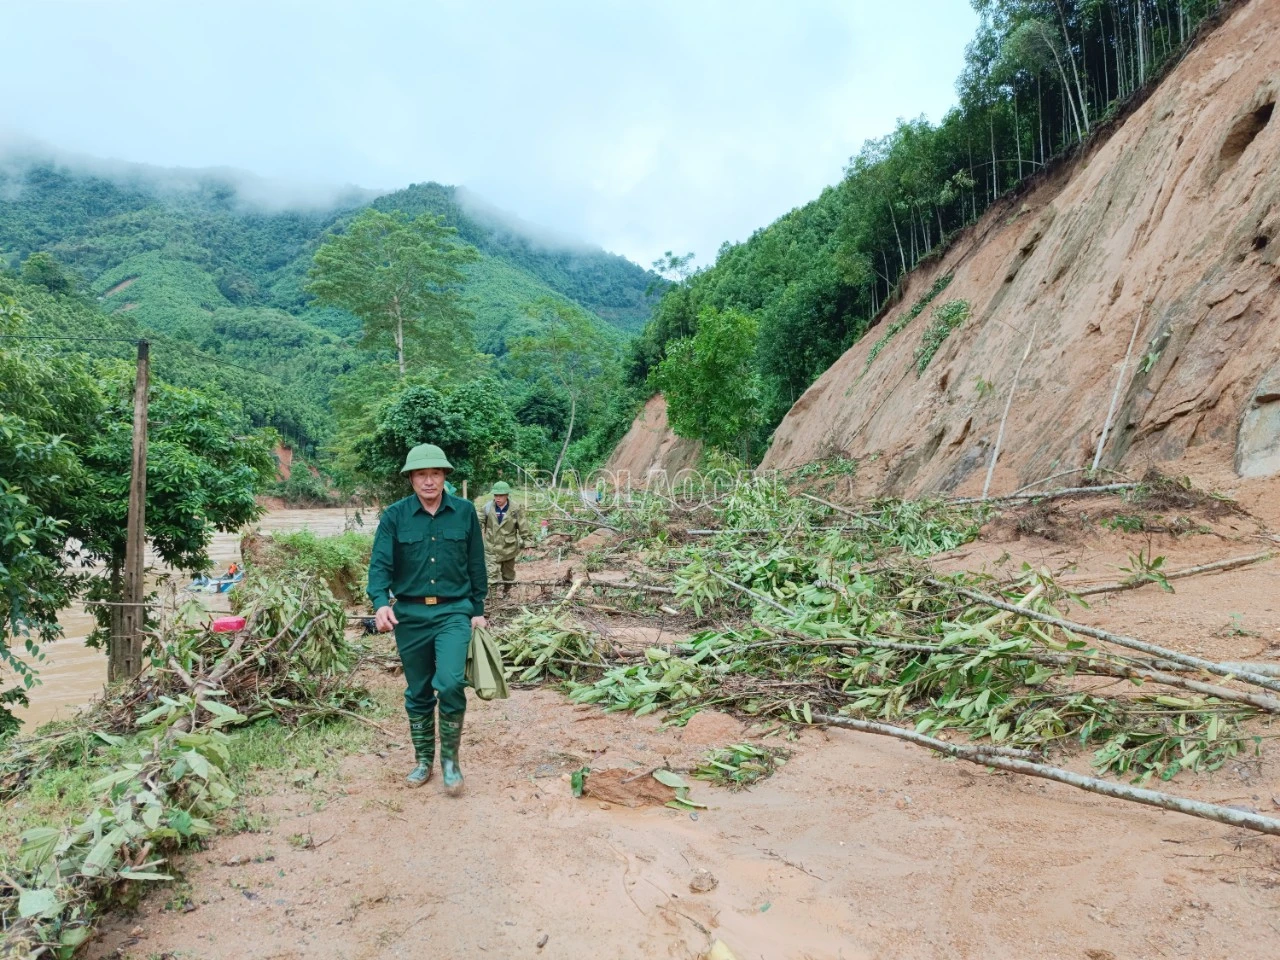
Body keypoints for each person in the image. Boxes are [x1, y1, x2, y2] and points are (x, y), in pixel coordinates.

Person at [367, 443, 487, 791]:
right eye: (422, 474)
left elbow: (476, 564)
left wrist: (478, 610)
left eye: (435, 473)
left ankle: (451, 763)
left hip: (453, 611)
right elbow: (380, 564)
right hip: (411, 614)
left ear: (445, 476)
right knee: (418, 690)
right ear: (411, 479)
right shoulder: (394, 516)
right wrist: (380, 602)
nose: (429, 481)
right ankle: (423, 762)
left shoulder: (464, 513)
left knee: (450, 682)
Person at [481, 481, 529, 597]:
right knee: (491, 575)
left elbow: (523, 526)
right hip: (491, 547)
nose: (498, 498)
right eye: (496, 495)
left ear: (507, 495)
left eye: (501, 495)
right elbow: (478, 520)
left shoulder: (516, 509)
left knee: (508, 575)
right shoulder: (487, 508)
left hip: (509, 548)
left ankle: (506, 593)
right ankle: (491, 599)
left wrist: (528, 542)